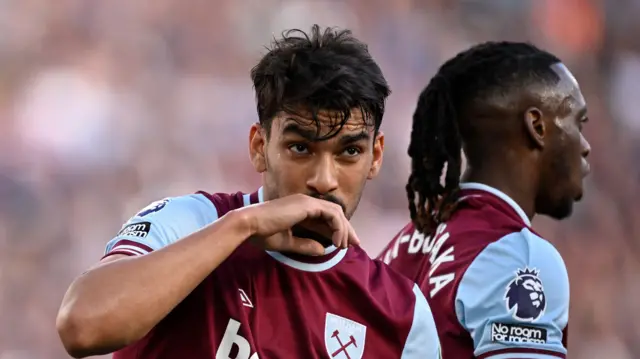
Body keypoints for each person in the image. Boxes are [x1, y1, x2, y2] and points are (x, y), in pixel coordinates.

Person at [56, 25, 441, 359]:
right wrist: (240, 226)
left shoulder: (402, 315)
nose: (324, 179)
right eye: (301, 148)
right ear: (259, 147)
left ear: (375, 157)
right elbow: (82, 326)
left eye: (349, 152)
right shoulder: (191, 221)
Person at [377, 41, 591, 359]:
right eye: (578, 122)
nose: (585, 146)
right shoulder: (520, 257)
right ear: (537, 127)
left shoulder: (407, 243)